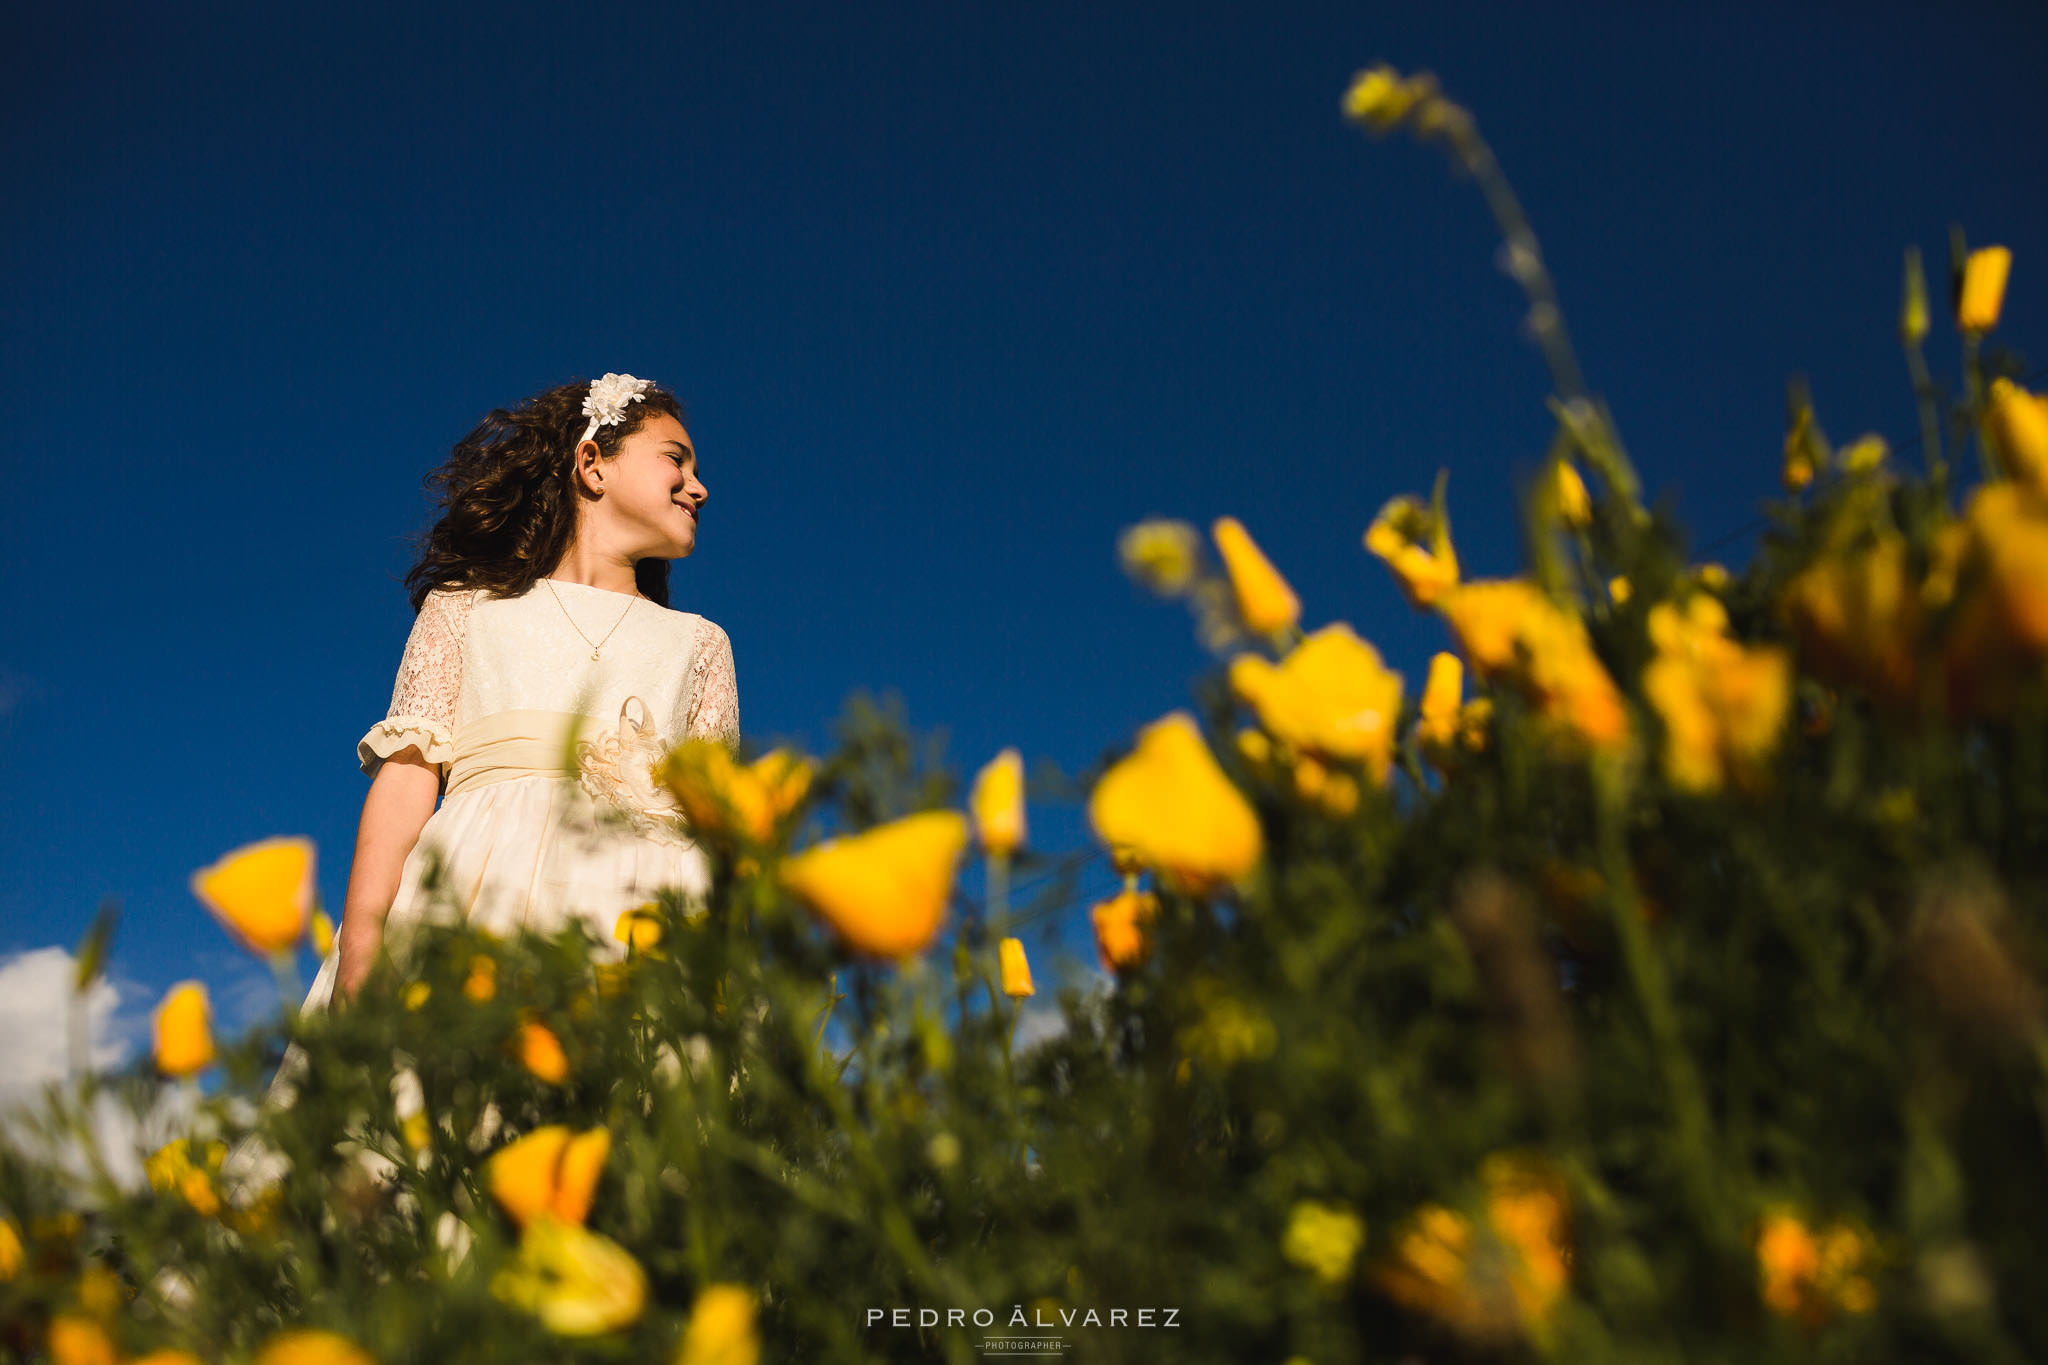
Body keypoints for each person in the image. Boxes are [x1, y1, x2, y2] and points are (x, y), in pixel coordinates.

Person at [259, 371, 739, 1120]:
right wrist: (362, 946)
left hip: (643, 927)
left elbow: (721, 832)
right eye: (677, 459)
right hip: (476, 906)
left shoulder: (701, 643)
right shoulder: (465, 612)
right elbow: (407, 777)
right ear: (592, 463)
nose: (698, 487)